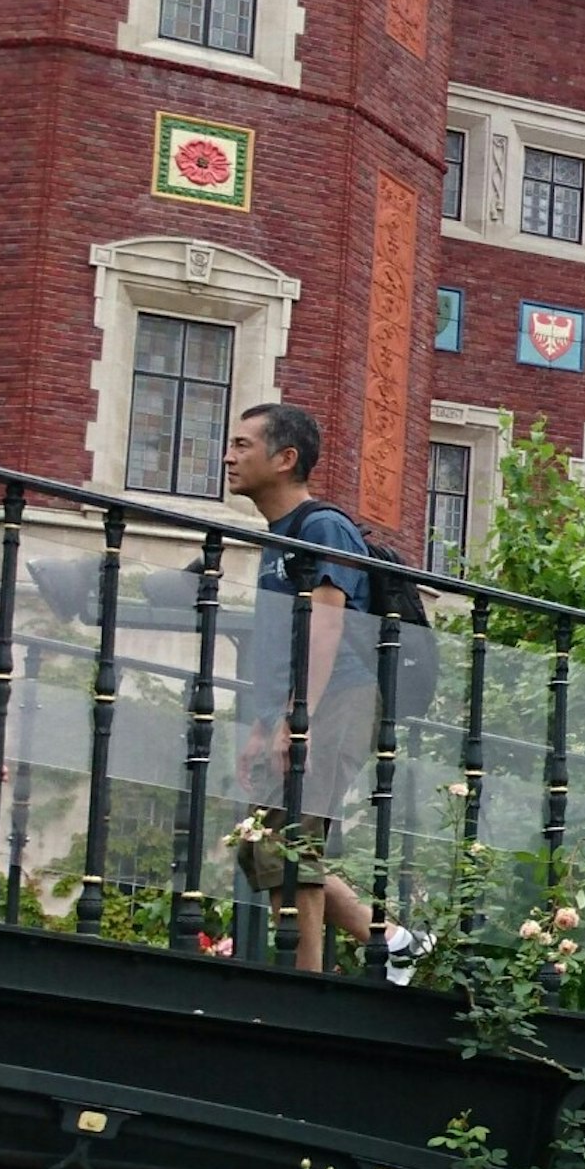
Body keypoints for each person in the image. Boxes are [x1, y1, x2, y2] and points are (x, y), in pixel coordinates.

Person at [223, 406, 430, 981]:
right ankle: (390, 940)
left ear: (285, 459)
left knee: (290, 841)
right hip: (302, 705)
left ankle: (306, 983)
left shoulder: (322, 527)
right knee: (261, 841)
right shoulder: (277, 538)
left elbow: (329, 624)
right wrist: (267, 724)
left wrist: (298, 719)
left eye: (243, 444)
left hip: (340, 698)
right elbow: (280, 648)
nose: (228, 455)